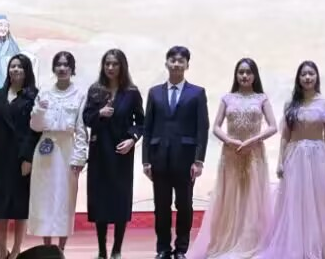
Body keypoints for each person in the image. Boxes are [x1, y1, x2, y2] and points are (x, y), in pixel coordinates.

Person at [261, 61, 325, 258]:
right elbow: (285, 136)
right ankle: (297, 247)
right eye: (303, 74)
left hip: (318, 157)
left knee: (320, 202)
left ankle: (319, 246)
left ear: (316, 77)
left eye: (311, 73)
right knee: (295, 201)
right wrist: (280, 161)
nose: (307, 77)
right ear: (298, 78)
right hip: (295, 156)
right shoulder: (291, 104)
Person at [187, 58, 276, 258]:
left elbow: (273, 126)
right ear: (236, 75)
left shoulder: (261, 98)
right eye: (241, 72)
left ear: (254, 75)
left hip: (254, 153)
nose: (244, 76)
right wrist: (230, 141)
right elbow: (216, 127)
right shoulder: (227, 98)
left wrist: (253, 140)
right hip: (231, 153)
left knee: (252, 197)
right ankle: (228, 240)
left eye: (248, 72)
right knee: (230, 196)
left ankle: (251, 241)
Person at [142, 46, 210, 259]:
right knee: (161, 206)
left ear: (187, 65)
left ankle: (181, 249)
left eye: (181, 61)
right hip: (159, 158)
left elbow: (202, 129)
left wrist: (198, 160)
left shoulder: (197, 93)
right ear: (167, 63)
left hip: (186, 159)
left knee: (184, 205)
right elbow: (148, 127)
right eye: (173, 60)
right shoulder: (154, 92)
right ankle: (163, 248)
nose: (177, 64)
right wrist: (146, 160)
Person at [0, 53, 41, 259]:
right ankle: (2, 249)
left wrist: (28, 158)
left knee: (20, 206)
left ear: (27, 71)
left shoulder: (34, 96)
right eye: (12, 66)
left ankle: (16, 250)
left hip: (21, 157)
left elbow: (36, 131)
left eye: (20, 67)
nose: (15, 70)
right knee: (0, 206)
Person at [83, 49, 145, 259]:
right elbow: (86, 118)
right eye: (107, 63)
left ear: (122, 66)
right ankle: (101, 250)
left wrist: (132, 139)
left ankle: (117, 249)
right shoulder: (95, 90)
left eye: (115, 64)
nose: (110, 68)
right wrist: (99, 113)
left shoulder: (132, 92)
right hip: (99, 151)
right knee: (100, 200)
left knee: (120, 200)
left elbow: (141, 122)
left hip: (121, 152)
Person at [28, 51, 89, 250]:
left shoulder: (80, 94)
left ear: (72, 69)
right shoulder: (45, 92)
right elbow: (35, 126)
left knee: (66, 198)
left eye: (66, 65)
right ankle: (47, 248)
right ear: (54, 68)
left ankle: (61, 248)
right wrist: (39, 110)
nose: (62, 68)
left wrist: (79, 158)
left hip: (67, 149)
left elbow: (81, 129)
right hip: (45, 148)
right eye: (58, 64)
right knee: (44, 197)